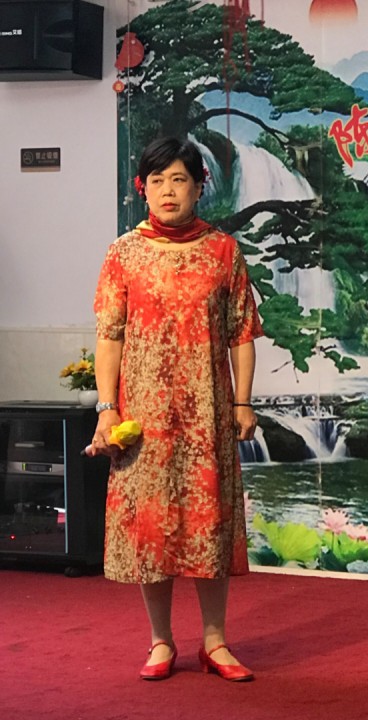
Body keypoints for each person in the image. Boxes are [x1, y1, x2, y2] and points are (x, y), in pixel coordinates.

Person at [89, 136, 264, 682]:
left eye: (179, 180)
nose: (168, 190)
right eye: (157, 180)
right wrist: (107, 409)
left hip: (207, 413)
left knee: (209, 525)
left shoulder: (223, 252)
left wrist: (242, 402)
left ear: (198, 187)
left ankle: (215, 642)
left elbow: (242, 333)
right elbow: (109, 336)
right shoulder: (123, 253)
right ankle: (160, 640)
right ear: (142, 188)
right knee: (151, 527)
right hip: (144, 419)